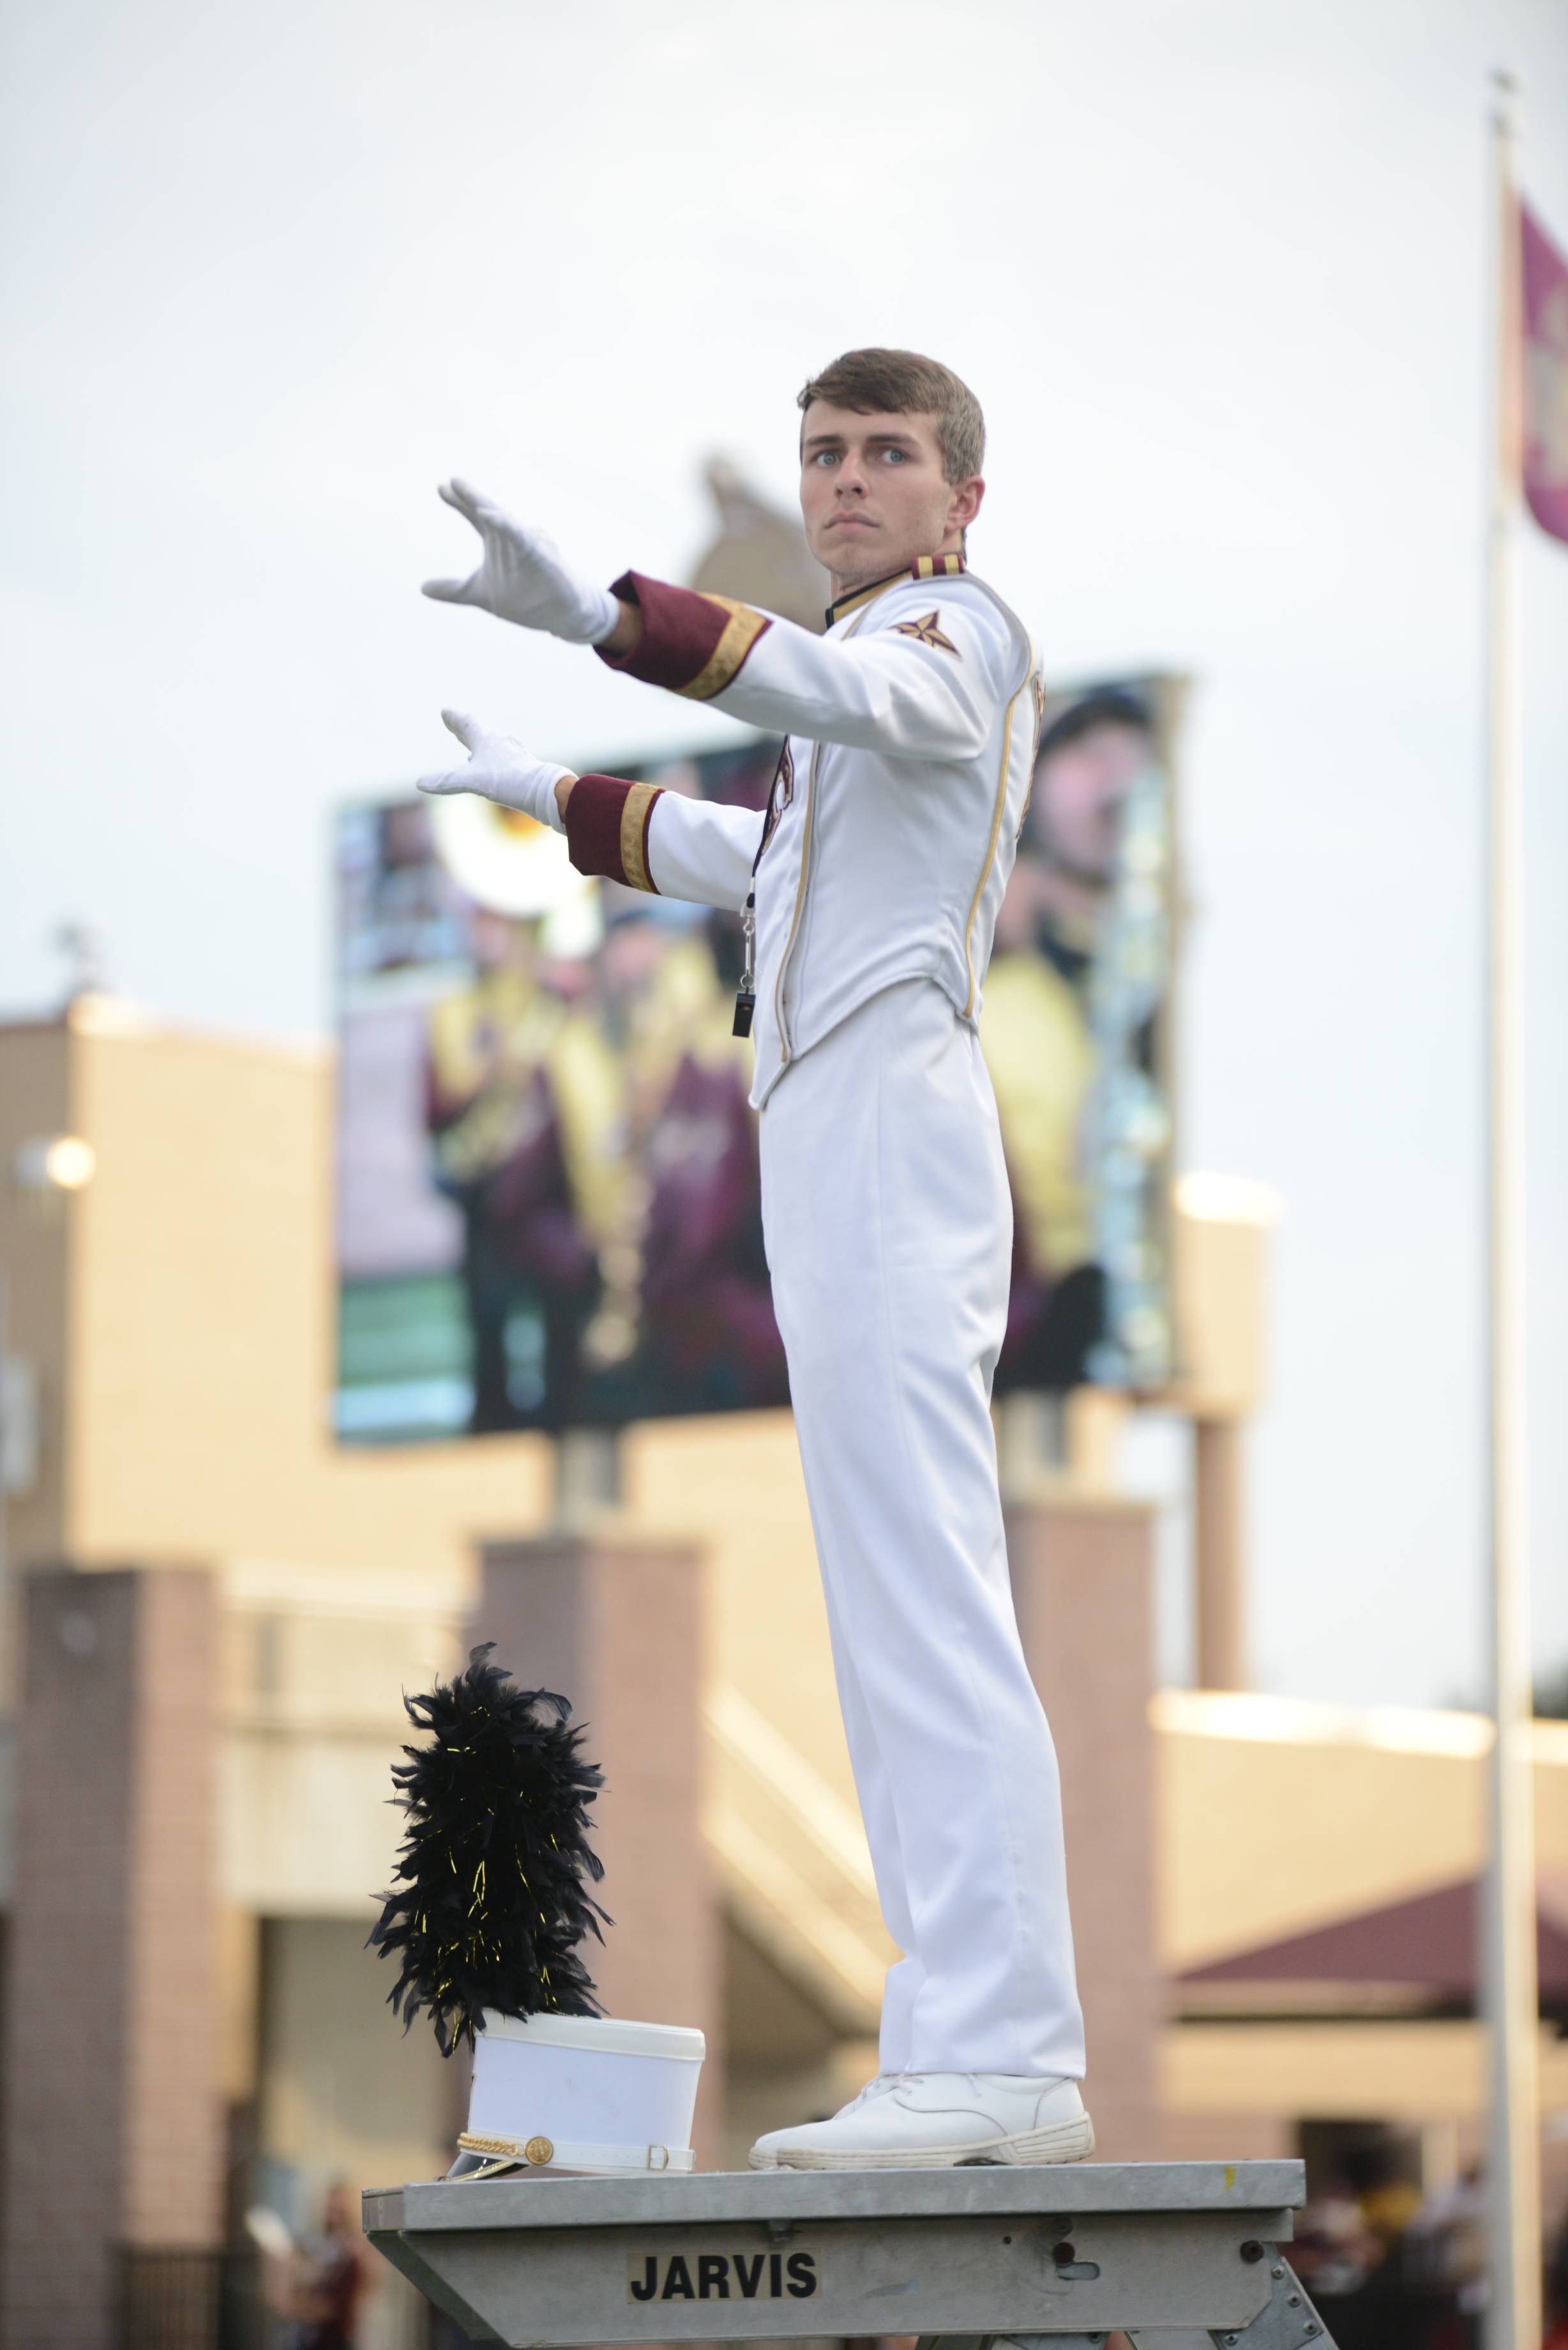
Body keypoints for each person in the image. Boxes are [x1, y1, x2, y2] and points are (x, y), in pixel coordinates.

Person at [417, 347, 1091, 2170]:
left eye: (886, 452)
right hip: (833, 1130)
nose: (845, 478)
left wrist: (602, 618)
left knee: (925, 1599)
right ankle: (963, 2044)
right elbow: (768, 862)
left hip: (887, 1117)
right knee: (887, 1611)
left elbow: (833, 687)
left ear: (962, 498)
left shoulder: (956, 633)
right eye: (822, 452)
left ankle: (1005, 2051)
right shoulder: (858, 679)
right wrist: (559, 798)